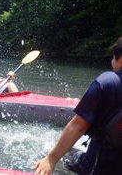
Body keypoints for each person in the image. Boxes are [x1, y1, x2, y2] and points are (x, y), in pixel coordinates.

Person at [32, 37, 122, 175]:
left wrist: (51, 159)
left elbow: (78, 126)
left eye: (113, 57)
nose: (111, 62)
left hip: (99, 166)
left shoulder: (107, 82)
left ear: (120, 59)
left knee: (55, 150)